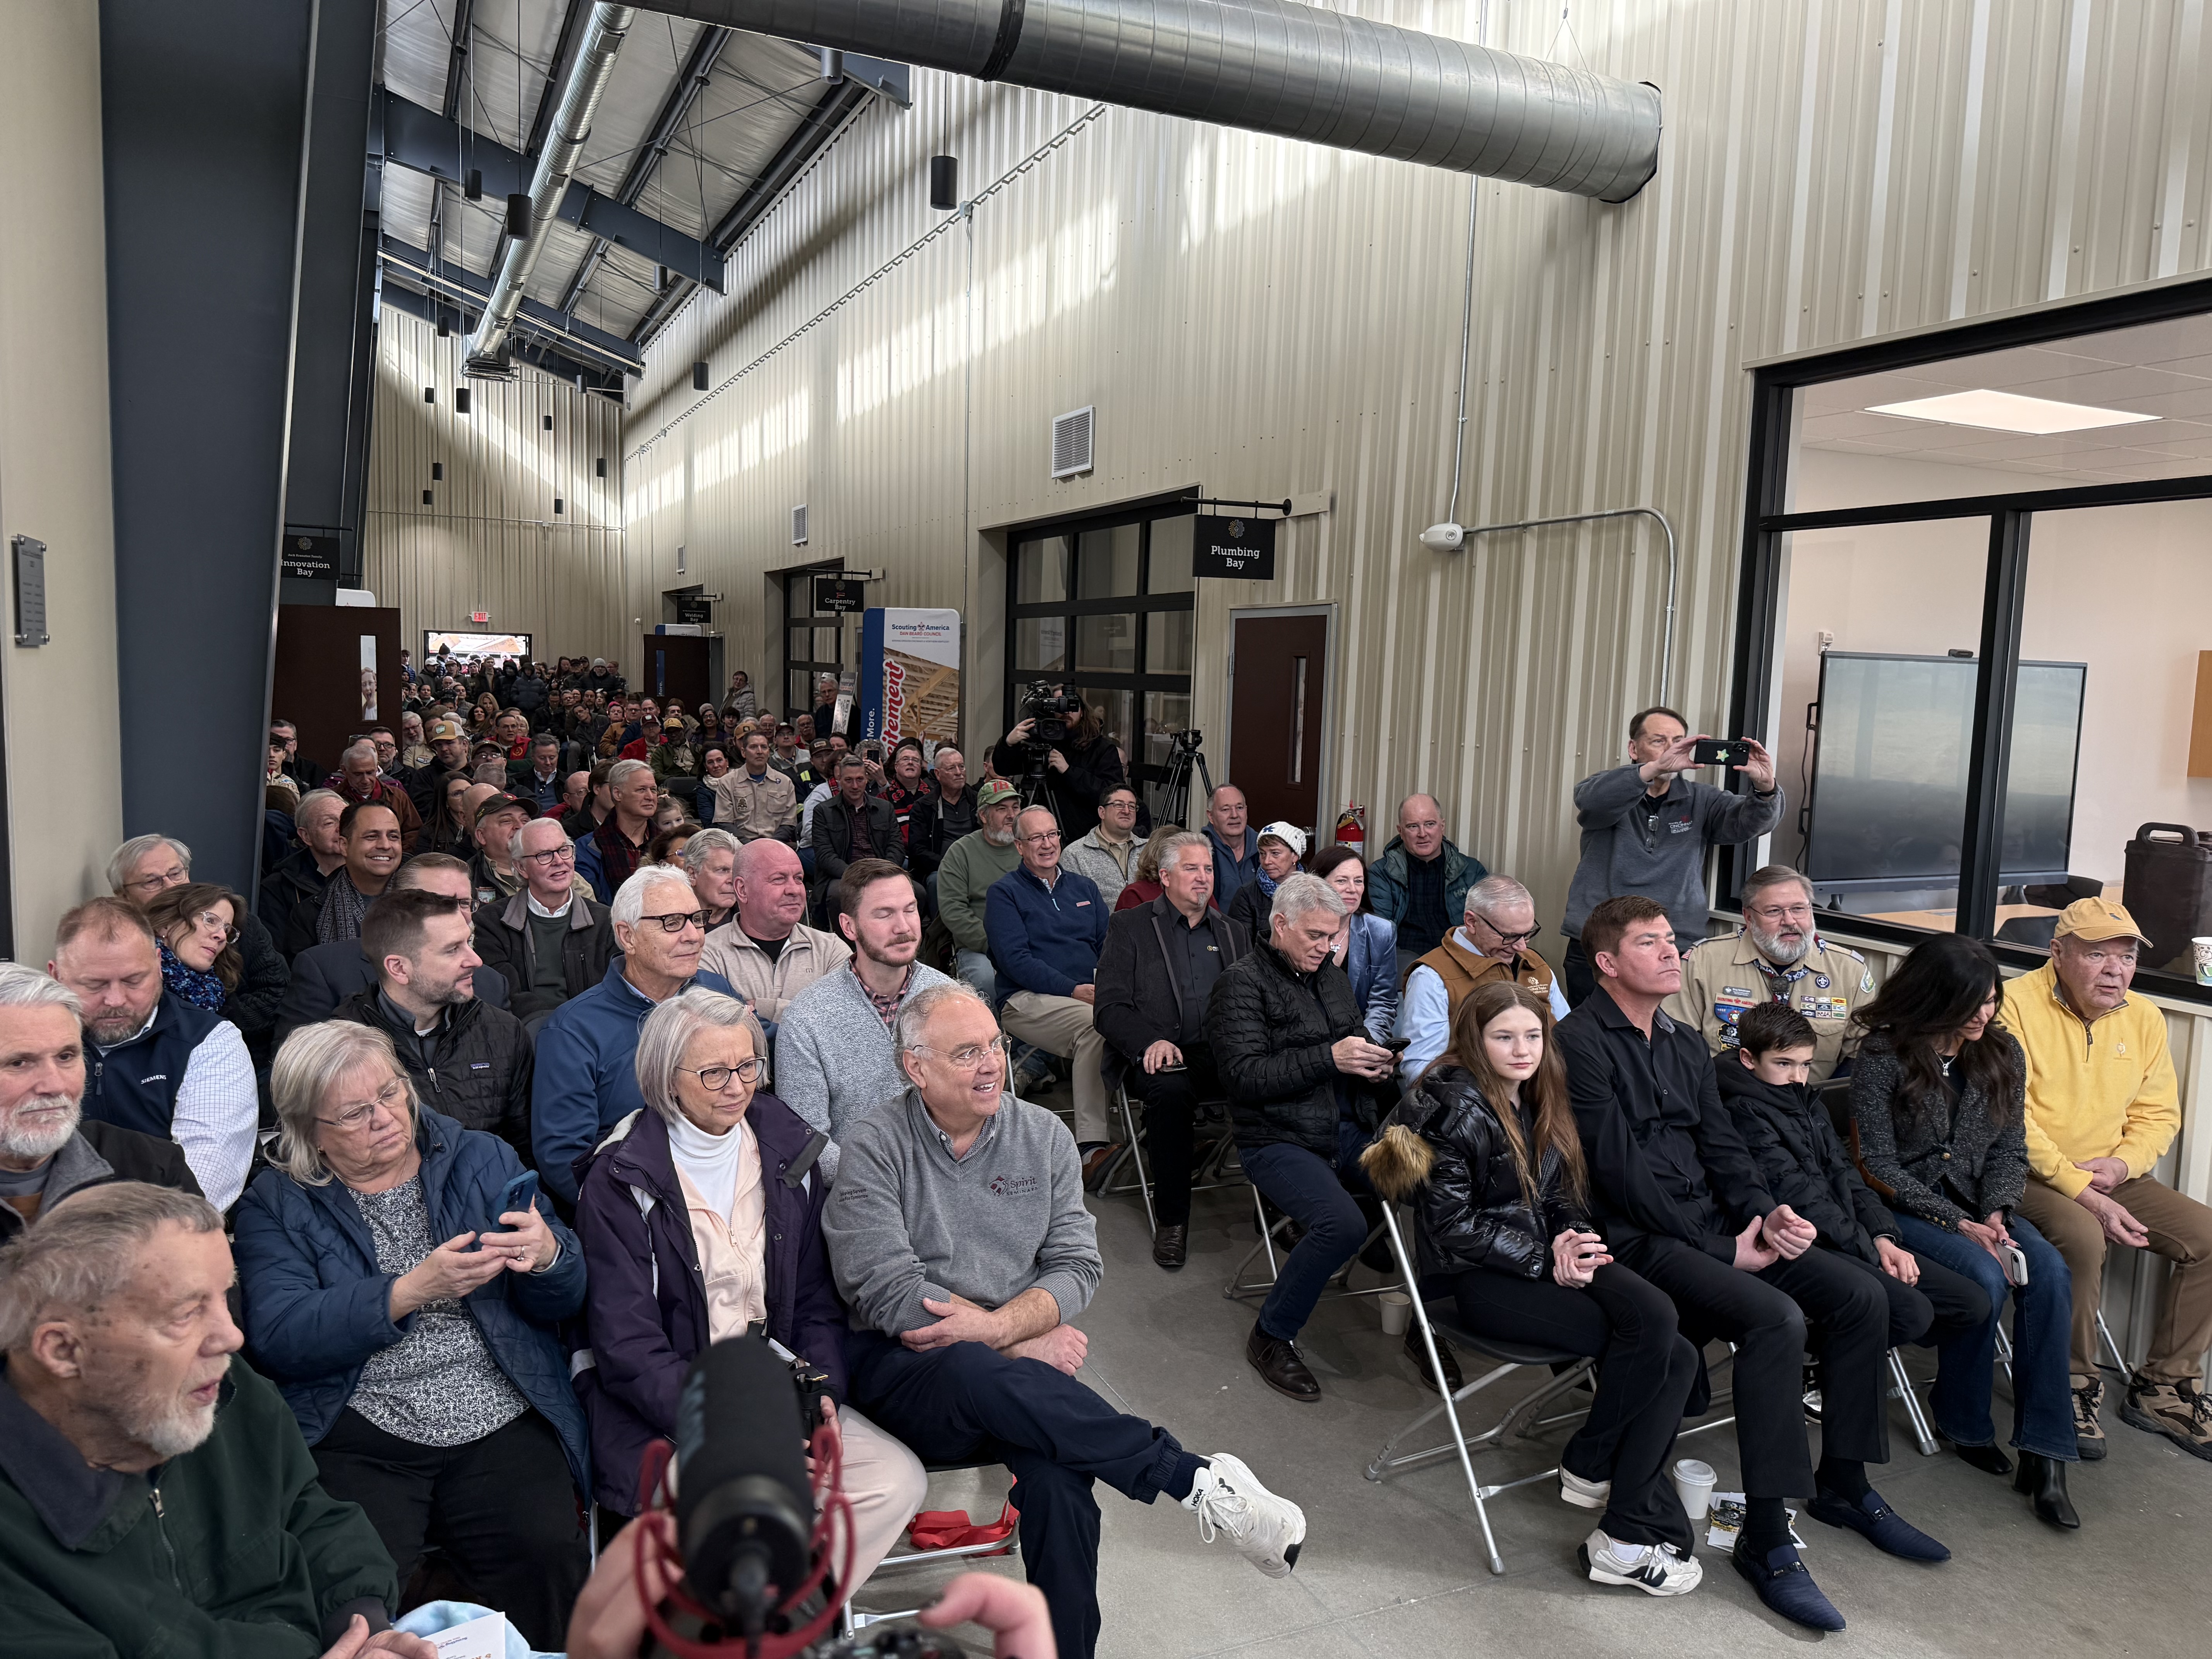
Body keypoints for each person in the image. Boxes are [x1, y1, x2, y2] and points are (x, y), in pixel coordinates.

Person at [822, 980, 1307, 1659]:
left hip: (1011, 1380)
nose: (992, 1062)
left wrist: (998, 1334)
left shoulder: (1042, 1135)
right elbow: (890, 1293)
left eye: (994, 1043)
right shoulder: (873, 1144)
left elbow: (1078, 1264)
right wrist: (1015, 1336)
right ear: (916, 1067)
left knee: (1061, 1480)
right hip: (904, 1374)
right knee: (969, 1363)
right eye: (967, 1052)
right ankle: (1193, 1478)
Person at [1556, 896, 1945, 1633]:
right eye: (1650, 943)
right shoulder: (1579, 1041)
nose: (1672, 953)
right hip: (1640, 1238)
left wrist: (1764, 1212)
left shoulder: (1677, 1042)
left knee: (1862, 1299)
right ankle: (1767, 1537)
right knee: (1776, 1316)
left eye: (1672, 940)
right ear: (1607, 963)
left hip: (1715, 1225)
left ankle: (1844, 1483)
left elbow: (1722, 1148)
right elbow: (1615, 1170)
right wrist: (1720, 1247)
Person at [234, 1022, 588, 1649]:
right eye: (353, 1112)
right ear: (309, 1129)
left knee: (545, 1550)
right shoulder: (281, 1199)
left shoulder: (481, 1157)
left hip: (496, 1404)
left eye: (391, 1093)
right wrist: (408, 1290)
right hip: (360, 1423)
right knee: (356, 1590)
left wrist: (548, 1254)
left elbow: (563, 1297)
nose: (384, 1117)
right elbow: (280, 1333)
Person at [571, 989, 929, 1593]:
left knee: (896, 1481)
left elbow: (817, 1301)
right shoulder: (619, 1179)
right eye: (713, 1072)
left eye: (747, 1067)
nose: (736, 1087)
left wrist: (820, 1398)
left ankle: (784, 1620)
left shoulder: (787, 1147)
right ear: (666, 1079)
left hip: (772, 1390)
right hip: (669, 1410)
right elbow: (628, 1350)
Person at [1363, 983, 1705, 1597]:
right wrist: (1546, 1261)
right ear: (1474, 1038)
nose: (1522, 1049)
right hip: (1476, 1281)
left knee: (1665, 1329)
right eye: (1504, 1037)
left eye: (1533, 1035)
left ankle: (1602, 1486)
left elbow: (1562, 1195)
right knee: (1658, 1345)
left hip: (1542, 1257)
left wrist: (1573, 1240)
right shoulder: (1458, 1106)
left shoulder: (1541, 1093)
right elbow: (1452, 1227)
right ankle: (1619, 1522)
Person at [0, 1182, 434, 1659]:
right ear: (63, 1350)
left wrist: (364, 1629)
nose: (230, 1337)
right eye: (186, 1314)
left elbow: (305, 1508)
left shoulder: (221, 1388)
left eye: (224, 1297)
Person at [1852, 933, 2081, 1526]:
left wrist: (2000, 1213)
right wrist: (1956, 1222)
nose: (1985, 1014)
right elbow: (1876, 1164)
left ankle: (2046, 1452)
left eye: (1992, 1000)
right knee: (1986, 1277)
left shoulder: (2002, 1051)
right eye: (1972, 1003)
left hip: (1986, 1207)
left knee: (2051, 1273)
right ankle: (1963, 1421)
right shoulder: (1882, 1057)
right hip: (1910, 1207)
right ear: (1935, 998)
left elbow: (2011, 1147)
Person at [1721, 1002, 1994, 1471]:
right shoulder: (1742, 1109)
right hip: (1803, 1244)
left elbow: (1847, 1174)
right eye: (1783, 1064)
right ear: (1749, 1059)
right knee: (1908, 1309)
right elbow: (1799, 1196)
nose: (1798, 1076)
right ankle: (1832, 1364)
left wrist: (1885, 1238)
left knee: (1971, 1303)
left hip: (1851, 1236)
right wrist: (1872, 1254)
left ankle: (1830, 1357)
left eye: (1806, 1065)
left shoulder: (1803, 1100)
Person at [2003, 897, 2212, 1463]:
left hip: (2111, 1172)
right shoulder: (2012, 1006)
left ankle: (2163, 1388)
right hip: (2024, 1173)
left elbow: (2157, 1115)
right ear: (2057, 953)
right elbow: (2008, 1118)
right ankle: (2069, 1387)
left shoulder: (2143, 1017)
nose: (2116, 970)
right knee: (2083, 1235)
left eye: (2125, 957)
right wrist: (2080, 1188)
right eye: (2098, 955)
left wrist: (2121, 1166)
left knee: (2209, 1237)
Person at [1208, 874, 1409, 1401]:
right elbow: (1243, 1076)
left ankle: (1430, 1327)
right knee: (1340, 1223)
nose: (1327, 947)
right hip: (1277, 1138)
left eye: (1334, 935)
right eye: (1316, 936)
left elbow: (1356, 1039)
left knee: (1430, 1185)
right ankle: (1271, 1335)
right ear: (1281, 925)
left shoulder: (1330, 976)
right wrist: (1331, 1058)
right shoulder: (1241, 982)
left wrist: (1375, 1064)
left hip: (1346, 1127)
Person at [532, 866, 740, 1206]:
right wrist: (635, 1217)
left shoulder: (716, 991)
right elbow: (565, 1158)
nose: (694, 935)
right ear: (627, 936)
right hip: (637, 1207)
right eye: (672, 922)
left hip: (733, 1184)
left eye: (697, 919)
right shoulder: (573, 1030)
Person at [1094, 832, 1250, 1270]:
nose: (1203, 879)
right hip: (1159, 1052)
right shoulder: (1132, 927)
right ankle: (1173, 1220)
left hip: (1219, 1051)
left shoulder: (1234, 932)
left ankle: (1277, 1206)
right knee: (1170, 1093)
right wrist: (1150, 1041)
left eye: (1208, 869)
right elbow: (1109, 1007)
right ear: (1165, 877)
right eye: (1191, 869)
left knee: (1267, 1082)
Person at [1560, 707, 1783, 1007]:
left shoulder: (1702, 799)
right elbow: (1590, 799)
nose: (1671, 750)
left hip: (1671, 942)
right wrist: (1652, 771)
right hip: (1602, 941)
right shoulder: (1609, 789)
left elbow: (1750, 823)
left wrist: (1766, 787)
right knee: (1592, 1036)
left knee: (1663, 1036)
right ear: (1633, 748)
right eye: (1659, 741)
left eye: (1678, 741)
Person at [50, 899, 257, 1212]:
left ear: (159, 963)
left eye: (134, 981)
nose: (116, 1000)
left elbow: (202, 1192)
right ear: (56, 976)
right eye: (94, 985)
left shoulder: (210, 1043)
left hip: (163, 1241)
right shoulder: (28, 1043)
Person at [774, 860, 951, 1177]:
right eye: (884, 914)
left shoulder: (952, 999)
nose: (904, 927)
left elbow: (982, 1103)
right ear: (849, 926)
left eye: (909, 910)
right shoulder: (807, 1018)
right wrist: (883, 1181)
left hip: (953, 1180)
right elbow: (805, 1139)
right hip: (859, 1195)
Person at [331, 889, 534, 1165]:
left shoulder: (504, 1032)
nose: (476, 960)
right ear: (399, 969)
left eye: (469, 942)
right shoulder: (339, 1051)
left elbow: (524, 1153)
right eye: (453, 950)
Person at [0, 965, 202, 1242]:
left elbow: (210, 1282)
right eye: (19, 1063)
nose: (55, 1085)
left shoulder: (153, 1170)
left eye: (66, 1057)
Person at [987, 807, 1115, 1170]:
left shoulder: (1084, 887)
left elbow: (1109, 947)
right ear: (1019, 847)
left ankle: (1157, 1131)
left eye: (1053, 835)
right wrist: (1074, 989)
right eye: (1036, 838)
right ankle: (1091, 1147)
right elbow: (1015, 962)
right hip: (1025, 999)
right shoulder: (1005, 894)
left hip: (1087, 995)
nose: (1047, 844)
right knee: (1097, 1026)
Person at [1666, 864, 1874, 1084]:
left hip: (1810, 1104)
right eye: (1774, 911)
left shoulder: (1850, 972)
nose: (1790, 921)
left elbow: (1862, 1057)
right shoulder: (1704, 961)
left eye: (1799, 909)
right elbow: (1678, 1044)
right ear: (1748, 917)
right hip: (1725, 1101)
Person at [277, 856, 514, 1041]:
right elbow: (294, 1072)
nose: (457, 914)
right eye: (438, 902)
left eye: (464, 903)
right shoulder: (325, 968)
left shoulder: (491, 985)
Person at [109, 833, 290, 1046]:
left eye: (176, 873)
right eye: (152, 881)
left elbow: (278, 989)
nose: (170, 887)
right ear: (123, 896)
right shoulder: (120, 949)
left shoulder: (237, 926)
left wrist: (220, 1023)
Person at [1400, 874, 1567, 1080]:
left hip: (1546, 1094)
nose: (1522, 947)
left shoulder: (1536, 965)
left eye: (1528, 934)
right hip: (1475, 1101)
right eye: (1510, 936)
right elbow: (1421, 1070)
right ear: (1472, 922)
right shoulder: (1432, 977)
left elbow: (1568, 1039)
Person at [474, 814, 618, 1026]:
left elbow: (613, 990)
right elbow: (504, 994)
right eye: (544, 855)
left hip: (591, 1028)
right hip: (522, 1031)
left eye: (564, 850)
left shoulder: (606, 922)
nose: (559, 861)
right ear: (521, 868)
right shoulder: (492, 922)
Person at [699, 838, 853, 1026]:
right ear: (742, 889)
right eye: (779, 879)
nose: (794, 890)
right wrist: (811, 1015)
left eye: (799, 879)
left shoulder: (830, 950)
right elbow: (715, 1027)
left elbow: (843, 1022)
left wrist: (762, 1008)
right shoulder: (708, 953)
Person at [1369, 795, 1490, 979]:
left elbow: (1488, 929)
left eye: (1430, 824)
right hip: (1406, 965)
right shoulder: (1382, 874)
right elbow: (1379, 937)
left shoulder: (1471, 872)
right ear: (1400, 831)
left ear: (1442, 826)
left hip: (1461, 963)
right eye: (1413, 826)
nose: (1422, 833)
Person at [990, 692, 1127, 845]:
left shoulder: (1102, 749)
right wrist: (1008, 743)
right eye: (1059, 705)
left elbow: (1112, 795)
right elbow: (1003, 769)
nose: (1066, 711)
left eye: (1072, 705)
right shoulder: (1040, 743)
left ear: (1082, 712)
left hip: (1084, 839)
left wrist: (1069, 771)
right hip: (1041, 837)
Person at [938, 780, 1023, 1002]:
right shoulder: (961, 852)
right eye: (1002, 809)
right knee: (986, 979)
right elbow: (953, 910)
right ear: (984, 816)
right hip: (981, 947)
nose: (1011, 815)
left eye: (1015, 807)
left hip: (1031, 941)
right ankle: (995, 1035)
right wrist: (994, 944)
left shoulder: (1031, 846)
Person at [1310, 844, 1401, 1043]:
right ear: (1318, 884)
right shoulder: (1298, 930)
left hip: (1360, 1039)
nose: (1352, 889)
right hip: (1307, 1040)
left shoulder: (1381, 932)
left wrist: (1366, 1045)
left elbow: (1383, 1003)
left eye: (1358, 881)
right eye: (1342, 881)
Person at [813, 754, 906, 917]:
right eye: (849, 780)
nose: (855, 786)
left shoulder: (885, 808)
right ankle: (844, 943)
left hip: (881, 872)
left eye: (860, 779)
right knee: (837, 895)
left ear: (867, 780)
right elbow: (825, 855)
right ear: (840, 780)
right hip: (844, 875)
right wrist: (854, 875)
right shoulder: (824, 811)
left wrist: (883, 873)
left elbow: (896, 846)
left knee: (918, 892)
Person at [264, 788, 348, 958]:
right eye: (329, 823)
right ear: (306, 836)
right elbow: (276, 957)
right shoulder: (277, 887)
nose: (341, 830)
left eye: (346, 821)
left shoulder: (372, 876)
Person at [316, 801, 404, 946]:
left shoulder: (426, 896)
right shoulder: (313, 911)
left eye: (393, 837)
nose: (385, 845)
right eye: (372, 837)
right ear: (344, 846)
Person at [576, 757, 659, 903]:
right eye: (641, 790)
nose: (650, 797)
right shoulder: (587, 850)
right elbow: (592, 907)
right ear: (618, 794)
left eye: (654, 790)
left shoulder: (668, 845)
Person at [330, 740, 425, 857]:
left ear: (377, 768)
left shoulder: (397, 797)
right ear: (344, 770)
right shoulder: (333, 800)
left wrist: (399, 855)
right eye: (358, 774)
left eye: (370, 773)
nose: (365, 780)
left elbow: (414, 831)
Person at [1060, 784, 1142, 910]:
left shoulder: (1149, 850)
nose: (1126, 811)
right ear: (1102, 812)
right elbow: (1070, 907)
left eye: (1132, 806)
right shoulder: (1075, 854)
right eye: (1119, 805)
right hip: (1101, 929)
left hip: (1148, 927)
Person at [1226, 821, 1308, 942]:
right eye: (1263, 854)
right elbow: (1240, 947)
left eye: (1275, 854)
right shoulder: (1246, 896)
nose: (1267, 861)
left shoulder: (1313, 892)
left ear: (1294, 856)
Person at [909, 744, 977, 890]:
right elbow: (918, 850)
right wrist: (949, 864)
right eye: (952, 768)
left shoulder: (977, 802)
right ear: (938, 774)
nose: (959, 772)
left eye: (962, 767)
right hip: (940, 867)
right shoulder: (924, 807)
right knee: (935, 881)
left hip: (975, 865)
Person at [714, 728, 800, 843]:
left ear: (769, 752)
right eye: (754, 747)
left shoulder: (785, 783)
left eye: (764, 747)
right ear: (744, 752)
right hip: (739, 845)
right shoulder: (727, 783)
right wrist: (750, 846)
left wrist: (771, 844)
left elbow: (789, 823)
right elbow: (725, 823)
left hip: (776, 844)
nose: (760, 751)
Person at [466, 792, 534, 907]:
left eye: (525, 821)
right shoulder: (465, 878)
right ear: (482, 836)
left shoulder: (557, 868)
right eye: (507, 821)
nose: (520, 826)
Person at [1203, 784, 1259, 909]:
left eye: (1239, 808)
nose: (1234, 815)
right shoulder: (1200, 852)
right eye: (1226, 810)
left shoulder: (1263, 848)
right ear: (1211, 816)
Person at [513, 731, 565, 811]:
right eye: (542, 758)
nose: (548, 763)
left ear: (558, 756)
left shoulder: (568, 781)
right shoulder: (518, 781)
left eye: (552, 758)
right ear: (533, 756)